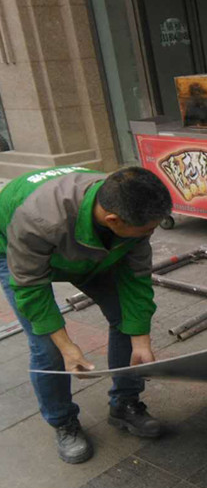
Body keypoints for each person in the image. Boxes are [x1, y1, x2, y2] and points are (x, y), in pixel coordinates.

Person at [0, 166, 172, 464]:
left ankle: (125, 403)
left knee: (125, 319)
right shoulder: (38, 219)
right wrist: (68, 347)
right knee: (47, 347)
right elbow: (31, 289)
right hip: (16, 250)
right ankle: (63, 421)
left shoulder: (128, 206)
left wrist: (141, 341)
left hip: (88, 248)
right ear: (113, 220)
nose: (150, 234)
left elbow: (136, 278)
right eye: (146, 231)